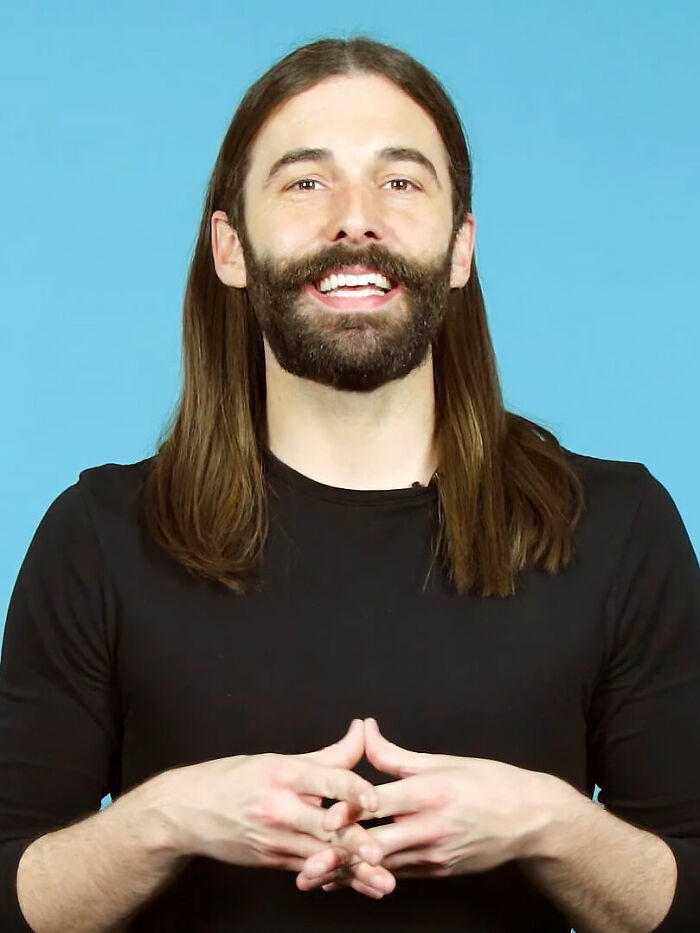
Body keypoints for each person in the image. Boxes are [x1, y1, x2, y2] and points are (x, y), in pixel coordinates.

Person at [1, 35, 699, 932]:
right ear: (229, 247)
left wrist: (551, 826)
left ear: (460, 248)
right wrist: (166, 820)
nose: (356, 218)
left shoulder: (616, 527)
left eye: (402, 181)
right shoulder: (99, 536)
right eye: (305, 181)